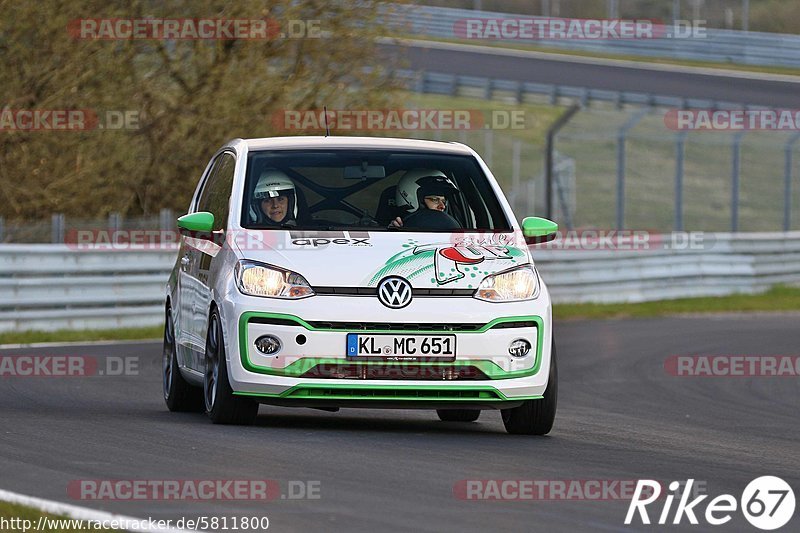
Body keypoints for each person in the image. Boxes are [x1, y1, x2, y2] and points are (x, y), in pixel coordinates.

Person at [389, 169, 461, 229]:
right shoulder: (396, 230)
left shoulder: (454, 236)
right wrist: (395, 233)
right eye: (435, 200)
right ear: (412, 199)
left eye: (444, 201)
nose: (443, 206)